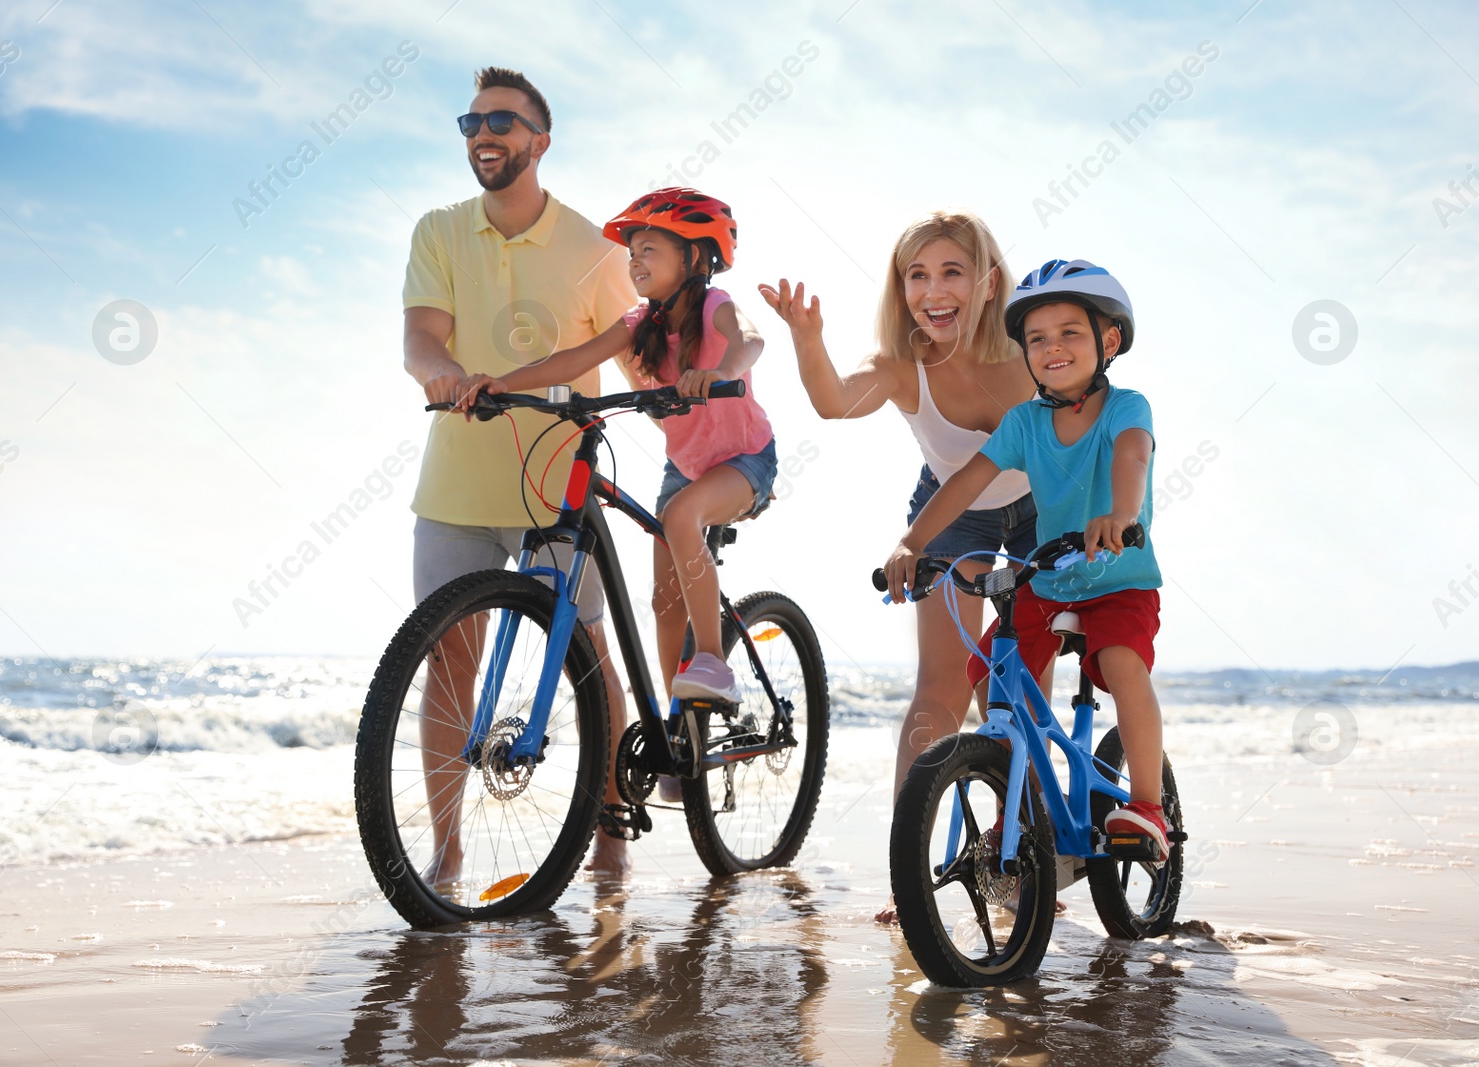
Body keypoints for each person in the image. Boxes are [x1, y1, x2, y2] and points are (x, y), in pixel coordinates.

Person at [757, 211, 1037, 922]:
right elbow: (831, 401)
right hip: (949, 511)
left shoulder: (1029, 354)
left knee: (1017, 690)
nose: (931, 290)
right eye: (917, 274)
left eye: (951, 271)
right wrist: (808, 340)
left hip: (1042, 509)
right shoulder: (902, 364)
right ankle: (910, 871)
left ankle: (1017, 863)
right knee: (941, 686)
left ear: (988, 283)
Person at [403, 67, 638, 883]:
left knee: (586, 657)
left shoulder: (597, 247)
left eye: (502, 122)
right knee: (447, 661)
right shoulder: (437, 230)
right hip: (456, 489)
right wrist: (441, 373)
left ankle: (611, 822)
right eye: (471, 123)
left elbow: (634, 344)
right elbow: (421, 341)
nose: (484, 135)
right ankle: (446, 849)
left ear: (541, 141)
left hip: (555, 489)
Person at [457, 187, 775, 767]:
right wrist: (504, 384)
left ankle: (715, 663)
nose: (634, 261)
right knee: (663, 601)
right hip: (685, 468)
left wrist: (719, 371)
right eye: (632, 252)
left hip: (745, 462)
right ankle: (682, 727)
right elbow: (573, 361)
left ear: (695, 259)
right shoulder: (639, 323)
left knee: (681, 519)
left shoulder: (714, 306)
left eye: (649, 249)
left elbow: (751, 339)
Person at [882, 258, 1168, 858]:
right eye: (1036, 338)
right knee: (990, 673)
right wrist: (914, 542)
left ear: (1108, 340)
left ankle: (1147, 806)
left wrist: (1120, 514)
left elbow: (1132, 459)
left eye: (1069, 333)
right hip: (1052, 582)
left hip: (1119, 579)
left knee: (1120, 663)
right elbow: (963, 482)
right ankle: (1019, 800)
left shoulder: (1126, 408)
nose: (1051, 347)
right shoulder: (1023, 423)